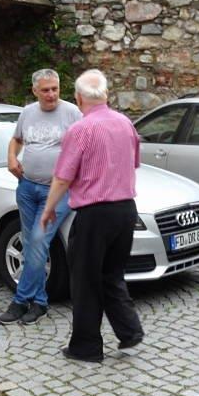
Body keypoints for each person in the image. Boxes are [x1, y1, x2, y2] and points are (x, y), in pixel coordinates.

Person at [40, 69, 144, 363]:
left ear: (78, 98)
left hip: (94, 213)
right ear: (106, 94)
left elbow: (63, 177)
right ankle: (129, 330)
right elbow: (134, 163)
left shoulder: (80, 130)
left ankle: (86, 347)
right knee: (112, 274)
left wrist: (48, 209)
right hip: (125, 210)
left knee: (85, 280)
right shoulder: (126, 123)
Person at [0, 68, 82, 326]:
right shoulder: (27, 112)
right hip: (26, 187)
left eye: (55, 89)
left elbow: (85, 148)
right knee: (30, 243)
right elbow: (16, 140)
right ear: (35, 91)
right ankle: (40, 301)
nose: (51, 94)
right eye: (45, 90)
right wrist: (11, 157)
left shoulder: (72, 113)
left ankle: (20, 300)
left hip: (57, 192)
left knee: (37, 240)